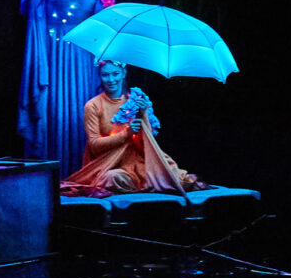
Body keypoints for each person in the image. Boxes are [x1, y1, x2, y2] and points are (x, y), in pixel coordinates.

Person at [19, 0, 117, 176]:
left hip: (82, 56)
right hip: (53, 55)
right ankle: (54, 177)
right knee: (53, 113)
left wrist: (107, 0)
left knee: (82, 113)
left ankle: (83, 174)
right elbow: (27, 10)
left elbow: (103, 20)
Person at [60, 60, 206, 197]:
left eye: (115, 74)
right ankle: (141, 190)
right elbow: (94, 146)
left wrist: (143, 115)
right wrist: (126, 133)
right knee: (113, 179)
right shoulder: (93, 105)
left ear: (124, 74)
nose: (111, 80)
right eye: (105, 75)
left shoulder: (136, 100)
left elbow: (150, 140)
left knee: (177, 179)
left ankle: (145, 184)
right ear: (100, 76)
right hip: (110, 164)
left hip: (141, 161)